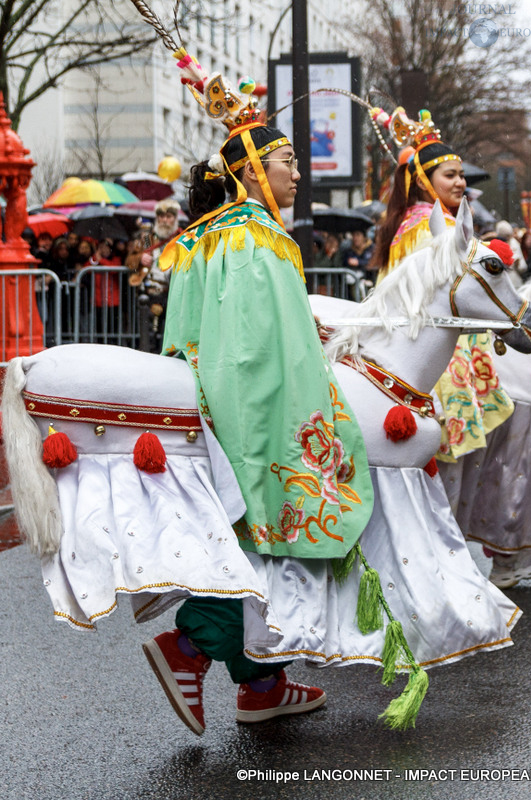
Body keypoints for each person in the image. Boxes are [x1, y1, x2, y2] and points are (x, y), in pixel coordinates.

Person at [143, 58, 375, 735]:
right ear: (250, 173)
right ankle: (186, 645)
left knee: (247, 539)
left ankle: (262, 685)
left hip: (205, 411)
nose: (297, 173)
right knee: (270, 538)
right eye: (286, 161)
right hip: (257, 416)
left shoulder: (199, 238)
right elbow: (268, 352)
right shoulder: (258, 237)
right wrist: (322, 415)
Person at [369, 107, 514, 462]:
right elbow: (441, 296)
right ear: (422, 181)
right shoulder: (432, 228)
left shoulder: (415, 220)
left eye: (462, 175)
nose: (461, 182)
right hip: (434, 358)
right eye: (450, 175)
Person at [128, 199, 182, 352]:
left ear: (175, 218)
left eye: (169, 216)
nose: (165, 220)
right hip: (150, 293)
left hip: (174, 293)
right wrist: (140, 258)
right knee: (149, 337)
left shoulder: (182, 237)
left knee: (170, 337)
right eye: (162, 216)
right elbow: (129, 260)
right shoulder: (147, 238)